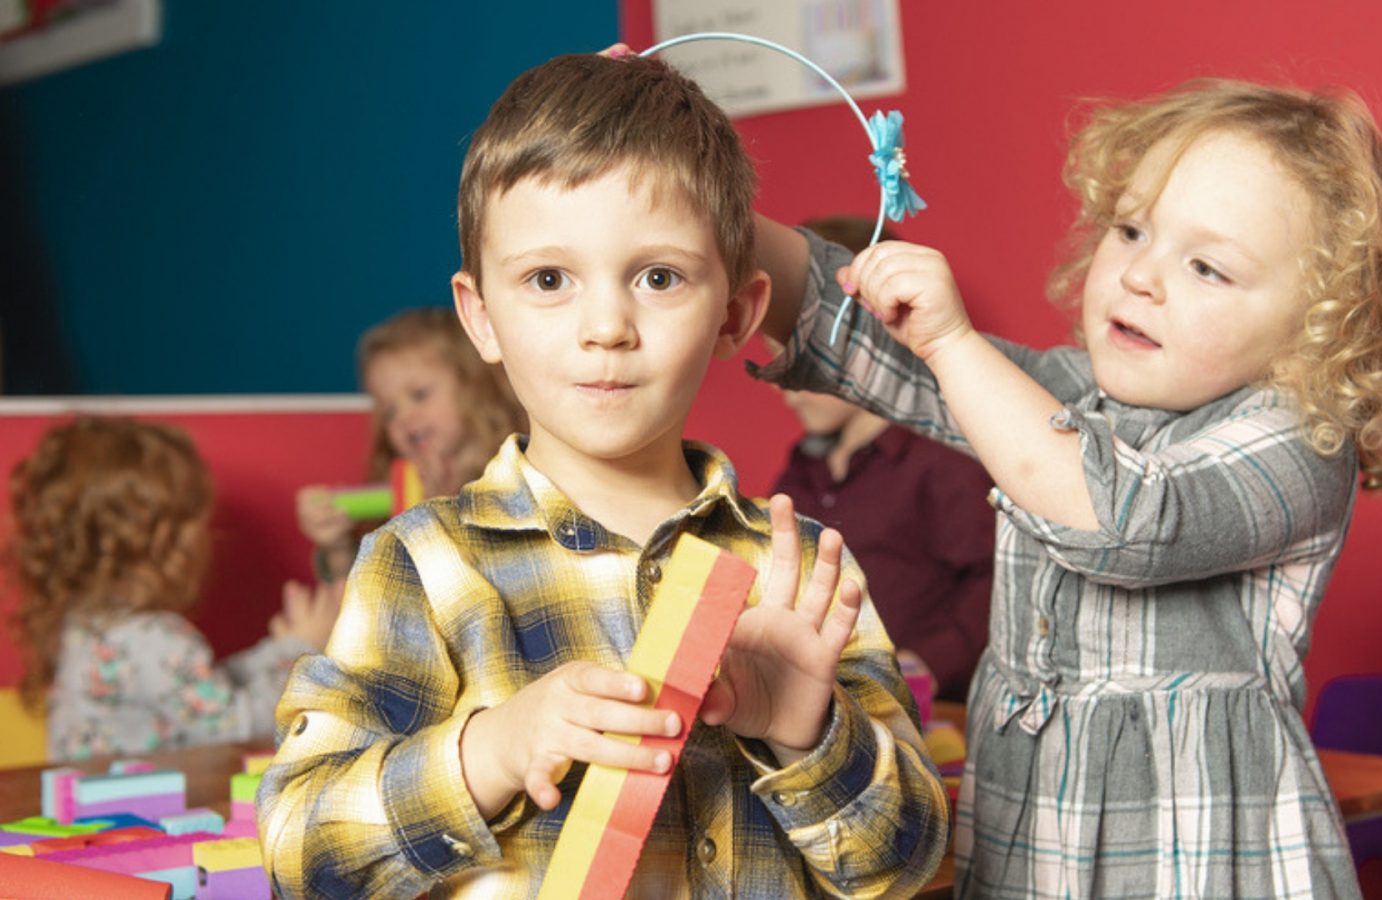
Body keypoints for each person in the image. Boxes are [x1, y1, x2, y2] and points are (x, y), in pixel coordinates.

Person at [256, 52, 947, 898]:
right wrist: (492, 751)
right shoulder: (428, 566)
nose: (607, 326)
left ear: (735, 314)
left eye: (659, 277)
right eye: (550, 279)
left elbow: (908, 864)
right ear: (482, 317)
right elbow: (297, 848)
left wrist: (810, 732)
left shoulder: (794, 570)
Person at [753, 79, 1382, 896]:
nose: (1140, 277)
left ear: (1316, 330)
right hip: (1031, 862)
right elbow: (881, 354)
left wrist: (954, 345)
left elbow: (1127, 518)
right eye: (1131, 230)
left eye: (1207, 267)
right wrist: (717, 223)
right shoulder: (1077, 396)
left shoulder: (1299, 442)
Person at [6, 417, 340, 761]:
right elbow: (241, 724)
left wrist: (279, 651)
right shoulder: (156, 637)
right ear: (166, 545)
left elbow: (204, 687)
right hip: (134, 808)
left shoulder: (87, 622)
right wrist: (303, 651)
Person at [770, 214, 994, 702]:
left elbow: (993, 583)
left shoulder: (942, 462)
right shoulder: (800, 471)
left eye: (801, 358)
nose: (789, 391)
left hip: (925, 715)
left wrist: (929, 664)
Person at [294, 306, 525, 582]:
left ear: (475, 383)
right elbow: (370, 604)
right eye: (389, 411)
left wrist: (439, 515)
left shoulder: (522, 470)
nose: (404, 417)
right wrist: (337, 547)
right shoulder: (403, 486)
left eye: (419, 395)